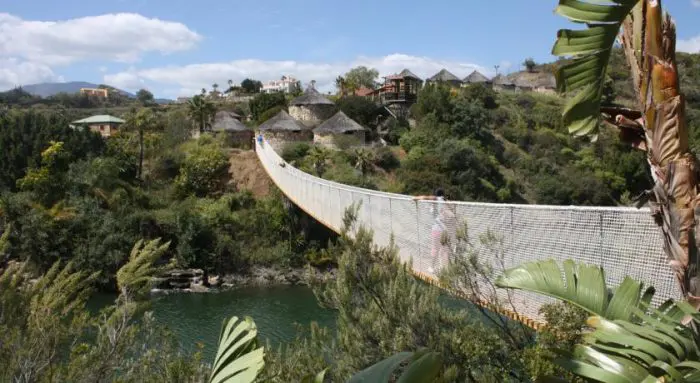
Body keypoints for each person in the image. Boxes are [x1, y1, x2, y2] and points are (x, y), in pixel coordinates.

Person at [413, 188, 451, 273]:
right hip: (445, 230)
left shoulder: (436, 201)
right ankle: (444, 268)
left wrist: (415, 198)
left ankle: (432, 267)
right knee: (444, 250)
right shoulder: (445, 202)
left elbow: (424, 197)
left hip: (436, 230)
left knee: (435, 249)